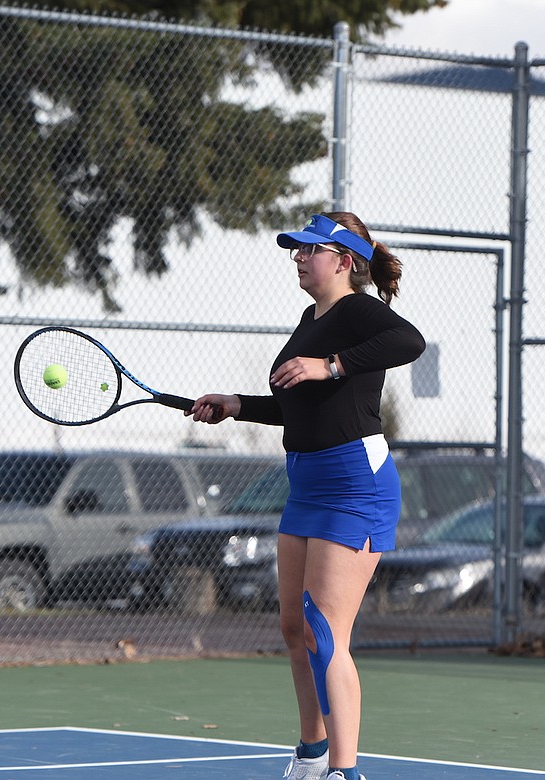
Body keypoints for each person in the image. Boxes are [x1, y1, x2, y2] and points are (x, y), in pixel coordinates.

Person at [188, 212, 425, 780]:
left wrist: (333, 364)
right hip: (307, 486)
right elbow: (298, 401)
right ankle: (312, 755)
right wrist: (240, 404)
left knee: (325, 628)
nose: (297, 257)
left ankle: (346, 771)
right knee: (294, 626)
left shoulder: (359, 312)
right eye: (294, 250)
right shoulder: (307, 319)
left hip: (355, 486)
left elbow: (409, 341)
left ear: (343, 259)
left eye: (308, 250)